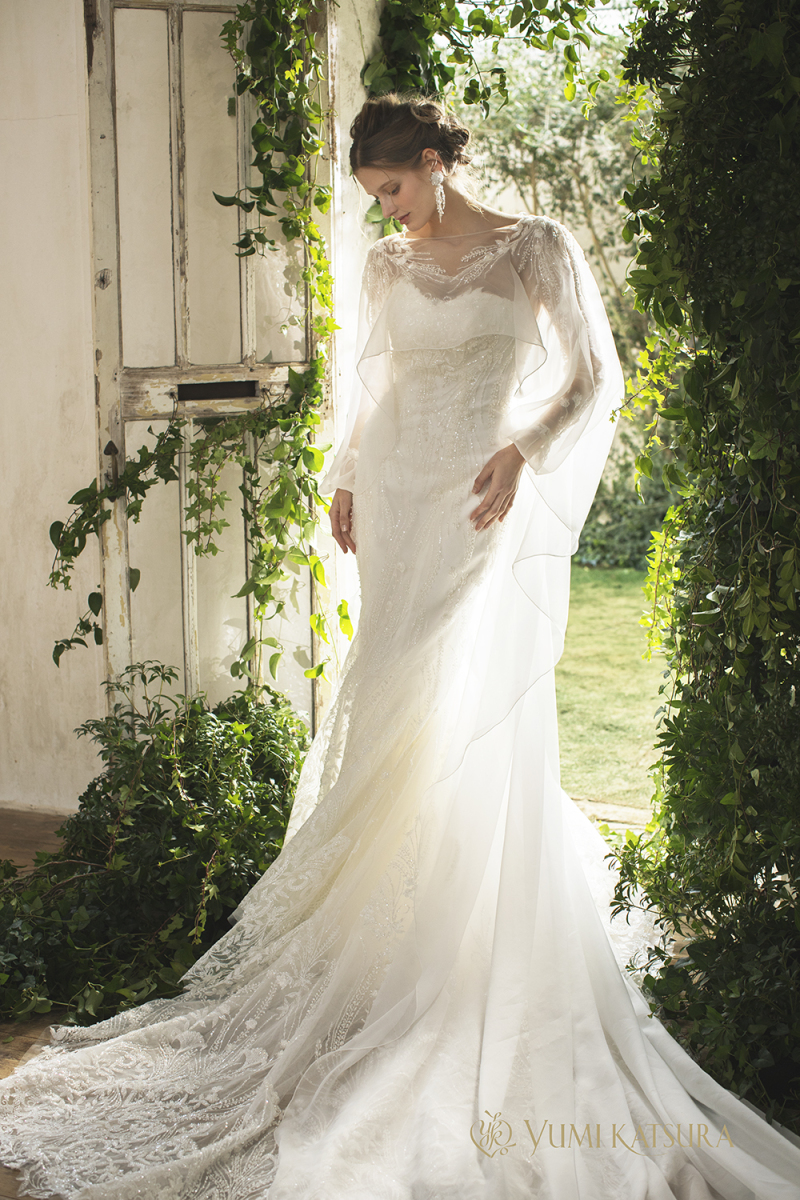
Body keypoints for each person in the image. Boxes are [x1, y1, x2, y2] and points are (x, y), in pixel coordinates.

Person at [1, 92, 799, 1200]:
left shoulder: (535, 247)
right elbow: (368, 389)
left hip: (475, 498)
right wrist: (341, 479)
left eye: (392, 189)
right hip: (396, 495)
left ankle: (448, 936)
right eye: (375, 196)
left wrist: (524, 448)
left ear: (433, 161)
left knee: (446, 697)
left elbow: (592, 378)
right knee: (386, 697)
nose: (387, 211)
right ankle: (377, 939)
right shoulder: (385, 264)